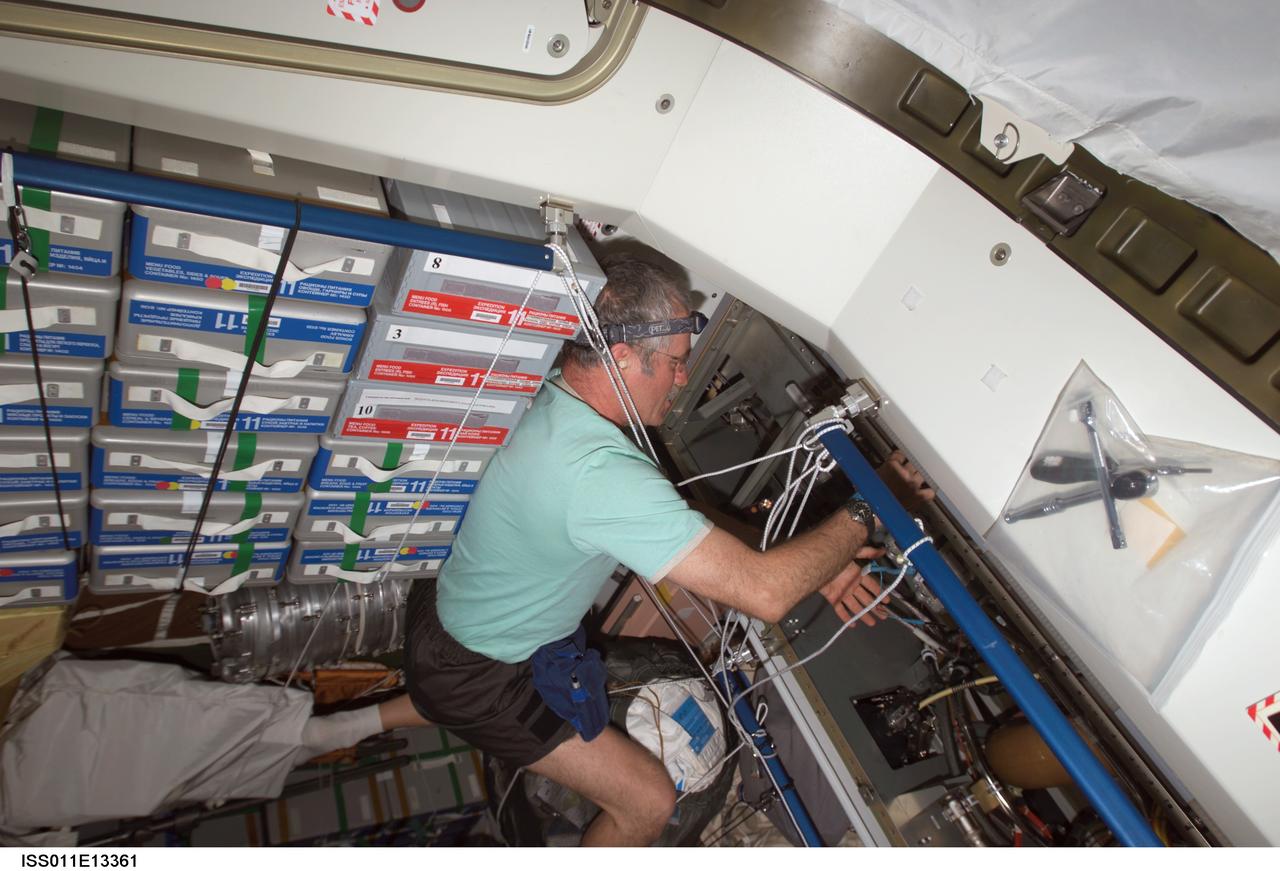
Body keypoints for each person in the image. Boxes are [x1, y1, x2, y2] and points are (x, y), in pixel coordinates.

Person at [331, 255, 933, 845]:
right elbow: (766, 593)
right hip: (477, 672)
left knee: (466, 697)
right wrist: (875, 503)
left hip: (450, 611)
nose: (683, 379)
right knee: (647, 801)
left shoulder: (555, 398)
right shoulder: (600, 475)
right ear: (621, 357)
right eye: (675, 363)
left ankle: (339, 728)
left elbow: (679, 523)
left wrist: (819, 566)